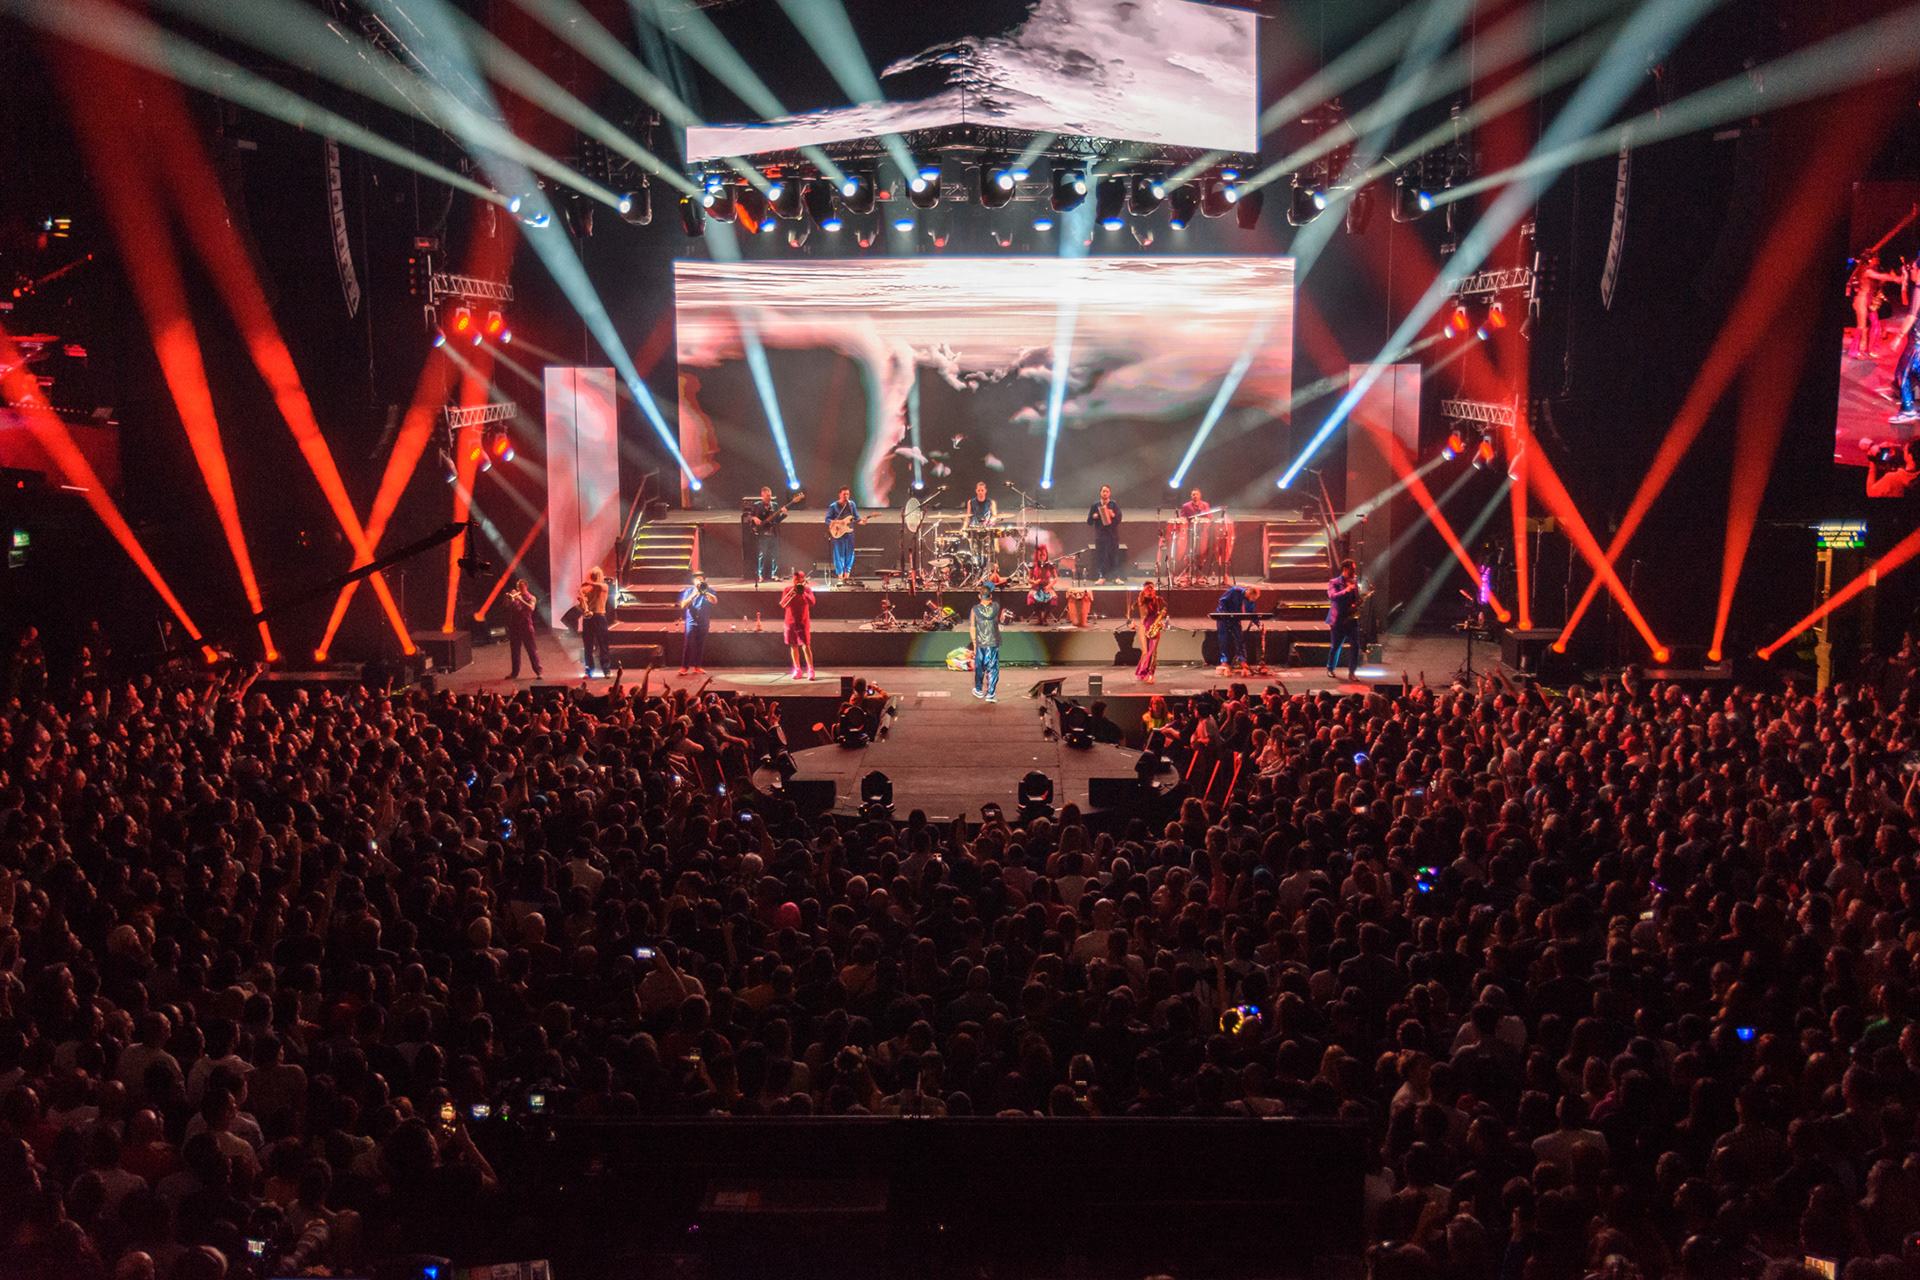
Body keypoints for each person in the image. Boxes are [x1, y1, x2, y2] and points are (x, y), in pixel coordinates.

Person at [1327, 558, 1363, 682]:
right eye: (1352, 569)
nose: (1354, 571)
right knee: (1336, 646)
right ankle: (1330, 668)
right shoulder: (1334, 582)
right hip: (1338, 620)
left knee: (1355, 646)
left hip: (1352, 620)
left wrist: (1358, 604)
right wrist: (1345, 591)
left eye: (1354, 569)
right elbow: (1332, 596)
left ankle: (1352, 672)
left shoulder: (1354, 583)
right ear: (1345, 569)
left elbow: (1355, 599)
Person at [1214, 582, 1259, 676]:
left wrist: (1258, 624)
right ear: (1250, 593)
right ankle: (1224, 660)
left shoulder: (1249, 601)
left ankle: (1242, 660)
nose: (1253, 600)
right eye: (1253, 598)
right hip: (1223, 616)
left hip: (1235, 617)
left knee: (1239, 637)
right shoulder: (1235, 591)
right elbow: (1222, 601)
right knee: (1223, 638)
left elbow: (1250, 612)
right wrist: (1224, 615)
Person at [502, 579, 543, 679]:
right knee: (515, 651)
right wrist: (508, 599)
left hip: (526, 627)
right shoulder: (515, 597)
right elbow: (505, 607)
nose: (519, 589)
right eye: (518, 587)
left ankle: (538, 672)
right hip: (514, 627)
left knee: (531, 650)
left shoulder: (531, 597)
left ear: (526, 587)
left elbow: (531, 608)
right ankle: (514, 673)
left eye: (521, 587)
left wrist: (520, 600)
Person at [745, 485, 787, 582]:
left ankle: (774, 574)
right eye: (767, 496)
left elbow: (778, 520)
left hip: (774, 534)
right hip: (763, 534)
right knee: (762, 555)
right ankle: (760, 575)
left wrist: (784, 515)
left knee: (775, 555)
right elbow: (749, 516)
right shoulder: (757, 505)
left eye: (770, 495)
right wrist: (754, 518)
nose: (769, 498)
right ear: (762, 495)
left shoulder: (775, 505)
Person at [678, 573, 717, 675]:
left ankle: (697, 666)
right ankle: (684, 667)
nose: (699, 581)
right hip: (691, 621)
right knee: (688, 644)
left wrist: (706, 592)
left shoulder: (709, 590)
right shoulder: (689, 591)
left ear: (704, 581)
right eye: (697, 580)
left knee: (700, 645)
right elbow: (683, 605)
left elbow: (715, 601)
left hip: (703, 621)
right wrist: (693, 596)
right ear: (693, 582)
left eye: (701, 580)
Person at [576, 566, 611, 676]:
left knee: (603, 644)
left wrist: (588, 583)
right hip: (589, 618)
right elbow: (582, 607)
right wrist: (581, 603)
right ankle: (589, 669)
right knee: (588, 645)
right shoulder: (586, 590)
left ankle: (606, 669)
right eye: (593, 577)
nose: (594, 578)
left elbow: (601, 586)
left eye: (596, 577)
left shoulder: (603, 587)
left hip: (600, 617)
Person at [780, 569, 815, 680]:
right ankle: (797, 669)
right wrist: (793, 594)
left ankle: (810, 670)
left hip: (803, 622)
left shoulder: (807, 590)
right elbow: (783, 604)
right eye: (795, 579)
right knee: (793, 646)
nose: (796, 581)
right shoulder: (787, 590)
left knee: (806, 646)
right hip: (790, 622)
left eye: (798, 579)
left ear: (802, 579)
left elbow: (812, 602)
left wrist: (803, 592)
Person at [969, 584, 1000, 703]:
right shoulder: (996, 607)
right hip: (992, 642)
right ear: (991, 596)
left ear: (979, 596)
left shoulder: (975, 610)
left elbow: (972, 627)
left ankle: (978, 689)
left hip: (980, 643)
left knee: (979, 667)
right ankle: (990, 694)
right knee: (992, 668)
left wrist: (974, 644)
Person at [1087, 485, 1124, 583]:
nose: (1105, 493)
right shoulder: (1095, 505)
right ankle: (1101, 577)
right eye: (1103, 491)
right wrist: (1093, 517)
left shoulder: (1114, 504)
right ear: (1100, 492)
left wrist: (1113, 515)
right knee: (1101, 557)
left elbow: (1119, 519)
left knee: (1114, 557)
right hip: (1101, 536)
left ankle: (1116, 577)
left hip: (1113, 535)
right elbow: (1089, 521)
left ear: (1110, 493)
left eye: (1107, 491)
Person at [1133, 580, 1168, 683]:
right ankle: (1142, 672)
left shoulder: (1157, 599)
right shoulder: (1142, 600)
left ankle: (1150, 673)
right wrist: (1144, 591)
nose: (1150, 590)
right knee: (1145, 652)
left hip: (1155, 627)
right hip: (1144, 628)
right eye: (1148, 588)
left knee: (1153, 651)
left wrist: (1161, 616)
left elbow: (1156, 613)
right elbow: (1140, 596)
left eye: (1151, 587)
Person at [825, 487, 861, 584]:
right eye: (844, 494)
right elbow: (827, 520)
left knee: (849, 554)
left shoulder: (851, 505)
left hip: (849, 533)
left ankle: (847, 577)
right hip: (838, 533)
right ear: (840, 494)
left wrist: (862, 521)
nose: (846, 496)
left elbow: (857, 518)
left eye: (848, 494)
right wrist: (838, 522)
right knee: (838, 554)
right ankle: (840, 577)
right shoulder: (833, 506)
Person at [1027, 544, 1058, 624]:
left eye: (1044, 555)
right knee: (1030, 598)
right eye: (1040, 555)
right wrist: (1035, 582)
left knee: (1054, 598)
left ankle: (1044, 618)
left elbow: (1055, 578)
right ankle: (1039, 617)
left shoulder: (1050, 565)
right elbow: (1029, 579)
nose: (1042, 557)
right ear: (1036, 555)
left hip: (1047, 586)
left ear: (1046, 554)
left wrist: (1049, 586)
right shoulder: (1032, 566)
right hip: (1036, 586)